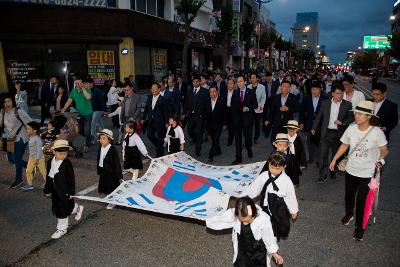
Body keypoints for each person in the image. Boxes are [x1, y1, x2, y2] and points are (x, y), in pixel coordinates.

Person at [329, 101, 389, 241]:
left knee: (362, 201)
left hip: (367, 173)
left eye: (361, 114)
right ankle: (349, 213)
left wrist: (381, 160)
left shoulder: (377, 132)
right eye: (356, 113)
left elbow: (384, 150)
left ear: (369, 116)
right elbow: (345, 145)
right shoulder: (351, 128)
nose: (357, 116)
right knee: (349, 196)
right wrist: (334, 159)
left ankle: (359, 228)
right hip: (351, 170)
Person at [206, 197, 284, 267]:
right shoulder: (237, 213)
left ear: (254, 214)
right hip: (242, 249)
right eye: (241, 220)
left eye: (247, 221)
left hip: (257, 251)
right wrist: (208, 220)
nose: (244, 223)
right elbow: (222, 218)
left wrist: (274, 253)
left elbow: (268, 237)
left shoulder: (263, 219)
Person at [242, 151, 299, 241]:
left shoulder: (286, 180)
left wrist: (294, 210)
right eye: (272, 167)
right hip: (265, 204)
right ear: (268, 163)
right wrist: (246, 197)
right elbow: (255, 187)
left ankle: (273, 239)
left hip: (279, 206)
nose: (274, 170)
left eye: (278, 168)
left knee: (277, 223)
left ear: (284, 167)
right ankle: (266, 237)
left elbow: (290, 196)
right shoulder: (264, 176)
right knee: (264, 222)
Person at [312, 84, 354, 183]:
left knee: (336, 155)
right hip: (326, 132)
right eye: (338, 93)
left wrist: (343, 122)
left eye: (341, 93)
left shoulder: (347, 104)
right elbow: (319, 116)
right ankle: (322, 175)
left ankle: (333, 171)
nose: (340, 95)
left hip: (338, 134)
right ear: (332, 93)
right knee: (323, 155)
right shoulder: (325, 103)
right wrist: (314, 127)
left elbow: (351, 117)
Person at [43, 139, 84, 239]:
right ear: (54, 152)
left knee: (61, 210)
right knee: (63, 207)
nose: (63, 156)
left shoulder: (67, 164)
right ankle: (78, 208)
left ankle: (62, 229)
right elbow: (49, 177)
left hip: (65, 191)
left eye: (65, 154)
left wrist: (71, 193)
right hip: (54, 191)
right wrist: (47, 190)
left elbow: (71, 180)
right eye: (60, 153)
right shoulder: (50, 162)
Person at [0, 98, 32, 188]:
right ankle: (30, 167)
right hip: (9, 139)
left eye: (9, 101)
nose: (8, 103)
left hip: (21, 137)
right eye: (5, 101)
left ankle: (19, 180)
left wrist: (33, 135)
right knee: (11, 159)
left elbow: (30, 122)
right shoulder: (2, 112)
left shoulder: (18, 111)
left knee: (17, 159)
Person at [299, 81, 328, 164]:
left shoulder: (325, 98)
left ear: (320, 90)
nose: (314, 91)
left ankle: (319, 159)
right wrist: (301, 122)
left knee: (320, 142)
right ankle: (311, 157)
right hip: (309, 123)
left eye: (316, 89)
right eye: (313, 89)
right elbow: (302, 111)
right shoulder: (306, 97)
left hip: (321, 124)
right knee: (309, 142)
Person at [231, 75, 258, 164]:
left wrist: (248, 108)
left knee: (248, 139)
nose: (239, 83)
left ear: (245, 82)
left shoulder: (251, 92)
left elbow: (255, 104)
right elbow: (233, 106)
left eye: (241, 81)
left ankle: (249, 148)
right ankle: (238, 158)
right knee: (238, 139)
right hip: (237, 119)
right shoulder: (235, 92)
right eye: (238, 82)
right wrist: (240, 109)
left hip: (248, 119)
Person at [61, 77, 93, 150]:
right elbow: (69, 100)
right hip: (79, 114)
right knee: (79, 130)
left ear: (82, 83)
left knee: (87, 130)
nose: (77, 85)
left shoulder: (87, 89)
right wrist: (64, 108)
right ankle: (90, 137)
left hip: (87, 114)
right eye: (76, 83)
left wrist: (83, 88)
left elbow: (88, 97)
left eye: (79, 83)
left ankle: (87, 145)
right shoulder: (74, 91)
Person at [183, 75, 209, 156]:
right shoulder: (190, 91)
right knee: (189, 130)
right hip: (191, 115)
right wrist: (184, 113)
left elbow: (207, 104)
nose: (195, 83)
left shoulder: (204, 91)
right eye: (194, 82)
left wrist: (204, 114)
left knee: (199, 132)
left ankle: (198, 149)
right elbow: (186, 103)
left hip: (200, 116)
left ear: (200, 82)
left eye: (197, 81)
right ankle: (196, 140)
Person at [141, 83, 169, 157]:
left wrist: (166, 122)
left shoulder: (163, 99)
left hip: (160, 122)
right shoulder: (149, 97)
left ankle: (159, 154)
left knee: (160, 138)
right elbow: (147, 108)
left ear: (159, 89)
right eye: (152, 89)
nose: (153, 90)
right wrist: (143, 118)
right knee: (149, 135)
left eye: (154, 88)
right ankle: (159, 146)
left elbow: (166, 111)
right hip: (151, 121)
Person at [97, 129, 122, 209]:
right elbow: (99, 159)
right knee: (105, 186)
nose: (101, 140)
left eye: (104, 138)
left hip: (111, 173)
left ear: (109, 140)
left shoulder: (112, 150)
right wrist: (99, 169)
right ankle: (110, 198)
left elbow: (117, 163)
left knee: (111, 187)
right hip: (103, 171)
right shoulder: (101, 147)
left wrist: (118, 175)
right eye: (100, 138)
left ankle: (113, 201)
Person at [21, 121, 47, 191]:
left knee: (43, 171)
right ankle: (30, 184)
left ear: (34, 131)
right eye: (27, 128)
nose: (27, 130)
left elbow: (39, 150)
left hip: (39, 158)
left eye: (29, 129)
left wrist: (37, 159)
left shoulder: (37, 139)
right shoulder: (31, 137)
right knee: (28, 170)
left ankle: (48, 182)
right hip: (31, 158)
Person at [206, 86, 225, 162]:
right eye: (211, 92)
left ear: (217, 92)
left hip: (218, 125)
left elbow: (224, 113)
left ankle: (210, 156)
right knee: (214, 139)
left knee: (215, 140)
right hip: (209, 125)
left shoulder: (222, 101)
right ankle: (218, 150)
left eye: (214, 91)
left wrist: (225, 123)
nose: (212, 93)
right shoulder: (206, 101)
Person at [284, 121, 306, 186]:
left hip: (296, 159)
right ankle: (287, 183)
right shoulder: (285, 138)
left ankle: (295, 182)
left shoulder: (298, 139)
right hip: (286, 158)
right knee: (287, 171)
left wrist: (303, 163)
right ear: (287, 129)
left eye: (292, 131)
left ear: (296, 130)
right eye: (289, 130)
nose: (290, 132)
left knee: (295, 171)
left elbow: (302, 152)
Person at [247, 73, 266, 144]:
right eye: (251, 78)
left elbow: (264, 97)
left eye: (254, 78)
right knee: (249, 124)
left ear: (257, 78)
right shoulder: (248, 86)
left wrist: (262, 105)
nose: (252, 79)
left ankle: (256, 138)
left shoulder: (262, 87)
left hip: (259, 108)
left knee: (258, 125)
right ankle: (248, 138)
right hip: (251, 109)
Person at [225, 78, 237, 146]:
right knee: (229, 127)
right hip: (227, 110)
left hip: (234, 111)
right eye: (228, 83)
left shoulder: (237, 92)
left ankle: (230, 139)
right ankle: (231, 137)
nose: (229, 85)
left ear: (234, 85)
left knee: (233, 126)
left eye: (231, 83)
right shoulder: (224, 92)